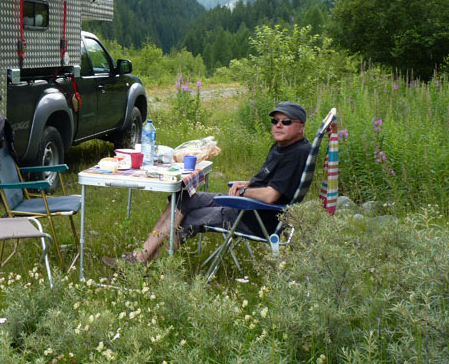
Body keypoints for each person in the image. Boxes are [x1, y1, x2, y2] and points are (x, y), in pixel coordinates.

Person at [109, 101, 311, 266]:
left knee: (190, 218)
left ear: (300, 127)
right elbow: (272, 181)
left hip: (255, 216)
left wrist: (243, 193)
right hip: (248, 206)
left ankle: (144, 265)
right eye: (275, 121)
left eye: (286, 121)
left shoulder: (295, 154)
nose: (278, 125)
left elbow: (270, 196)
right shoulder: (284, 146)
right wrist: (246, 183)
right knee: (183, 197)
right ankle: (141, 257)